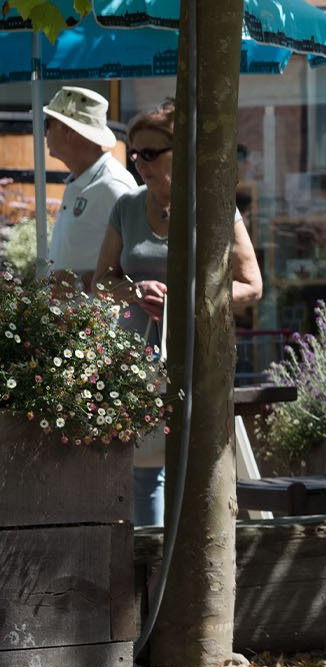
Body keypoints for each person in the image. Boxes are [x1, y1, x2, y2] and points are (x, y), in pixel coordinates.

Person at [92, 100, 264, 527]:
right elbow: (100, 282)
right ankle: (152, 575)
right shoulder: (126, 207)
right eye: (133, 153)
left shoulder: (213, 207)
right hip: (137, 360)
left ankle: (194, 571)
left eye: (151, 153)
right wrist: (135, 291)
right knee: (144, 469)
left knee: (200, 467)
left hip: (197, 356)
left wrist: (186, 298)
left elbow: (252, 287)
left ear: (181, 153)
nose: (139, 163)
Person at [41, 86, 137, 294]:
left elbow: (135, 263)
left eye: (47, 124)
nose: (45, 134)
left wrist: (76, 284)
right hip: (77, 321)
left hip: (102, 323)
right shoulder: (83, 180)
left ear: (69, 131)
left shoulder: (113, 185)